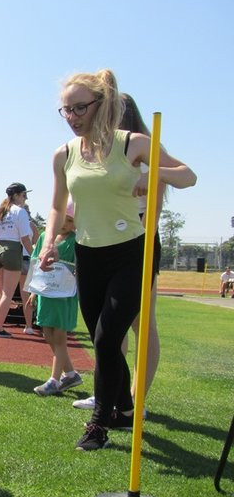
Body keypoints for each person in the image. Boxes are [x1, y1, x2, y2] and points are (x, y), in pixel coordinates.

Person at [40, 69, 196, 451]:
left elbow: (188, 175)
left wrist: (153, 174)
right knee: (101, 340)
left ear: (101, 104)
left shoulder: (134, 144)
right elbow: (58, 205)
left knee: (109, 338)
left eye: (80, 108)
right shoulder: (64, 154)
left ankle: (99, 425)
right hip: (89, 254)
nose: (73, 116)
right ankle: (124, 409)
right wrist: (48, 243)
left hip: (133, 252)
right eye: (66, 110)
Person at [73, 93, 166, 412]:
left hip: (138, 243)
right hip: (101, 244)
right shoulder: (95, 151)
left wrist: (143, 250)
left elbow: (153, 210)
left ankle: (137, 397)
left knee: (142, 323)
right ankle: (109, 393)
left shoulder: (141, 149)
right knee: (107, 325)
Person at [30, 198, 83, 395]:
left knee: (60, 336)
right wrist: (34, 293)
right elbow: (36, 263)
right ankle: (70, 374)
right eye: (63, 218)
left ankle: (54, 379)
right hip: (46, 293)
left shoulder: (76, 241)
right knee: (47, 333)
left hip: (64, 296)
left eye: (70, 220)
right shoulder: (45, 237)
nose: (65, 224)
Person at [0, 183, 34, 338]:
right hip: (12, 250)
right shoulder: (20, 212)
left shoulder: (0, 211)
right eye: (23, 195)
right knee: (8, 294)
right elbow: (25, 239)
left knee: (1, 292)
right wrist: (34, 256)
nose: (25, 198)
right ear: (16, 195)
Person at [19, 203, 39, 335]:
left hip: (16, 258)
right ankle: (29, 325)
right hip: (27, 259)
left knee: (5, 293)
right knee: (26, 292)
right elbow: (36, 243)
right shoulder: (31, 225)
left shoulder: (17, 222)